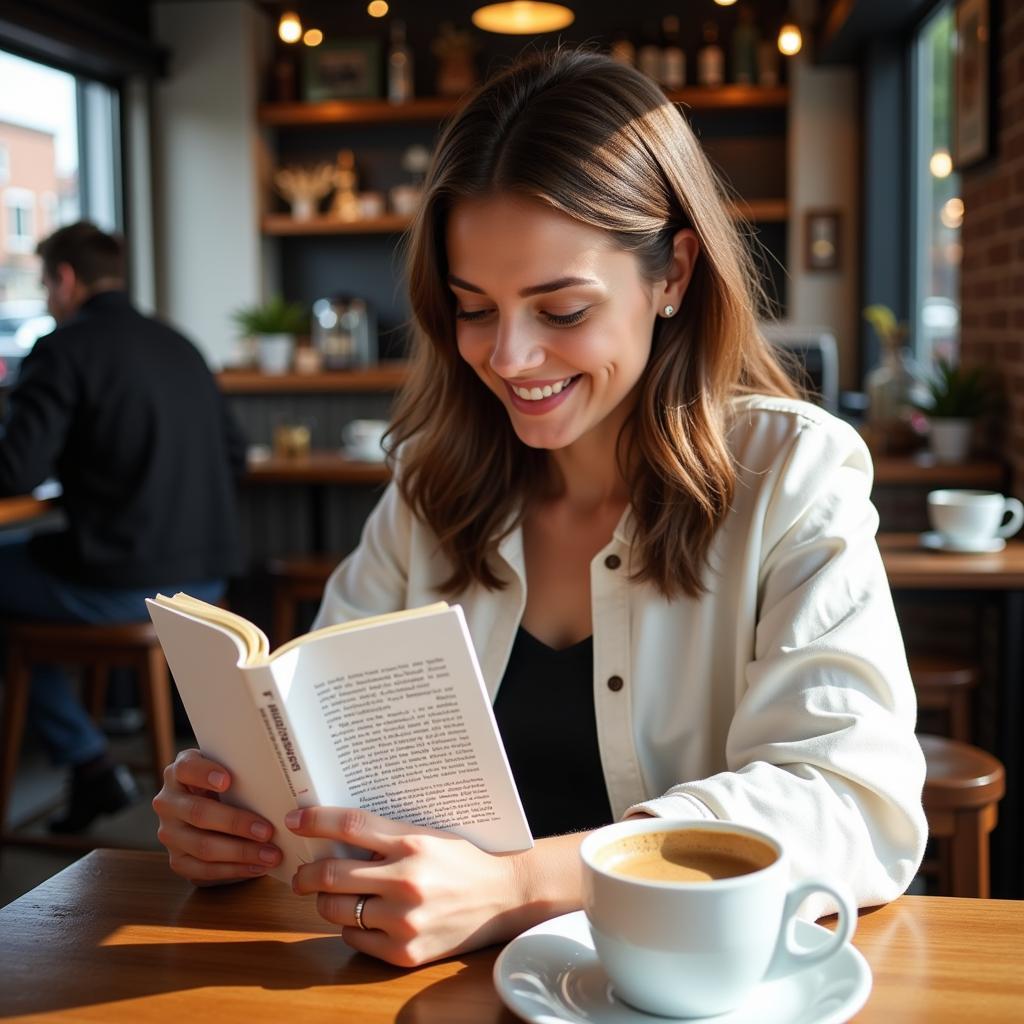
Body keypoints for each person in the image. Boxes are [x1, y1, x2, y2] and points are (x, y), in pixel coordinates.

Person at [153, 49, 927, 965]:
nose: (510, 357)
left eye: (560, 310)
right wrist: (237, 818)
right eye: (472, 308)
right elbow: (319, 745)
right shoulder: (429, 492)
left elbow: (850, 803)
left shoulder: (790, 472)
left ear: (674, 272)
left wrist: (522, 886)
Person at [0, 221, 246, 833]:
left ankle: (87, 761)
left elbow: (16, 470)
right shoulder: (178, 344)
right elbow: (235, 454)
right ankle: (87, 761)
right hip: (209, 582)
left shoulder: (63, 348)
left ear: (63, 279)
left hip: (128, 586)